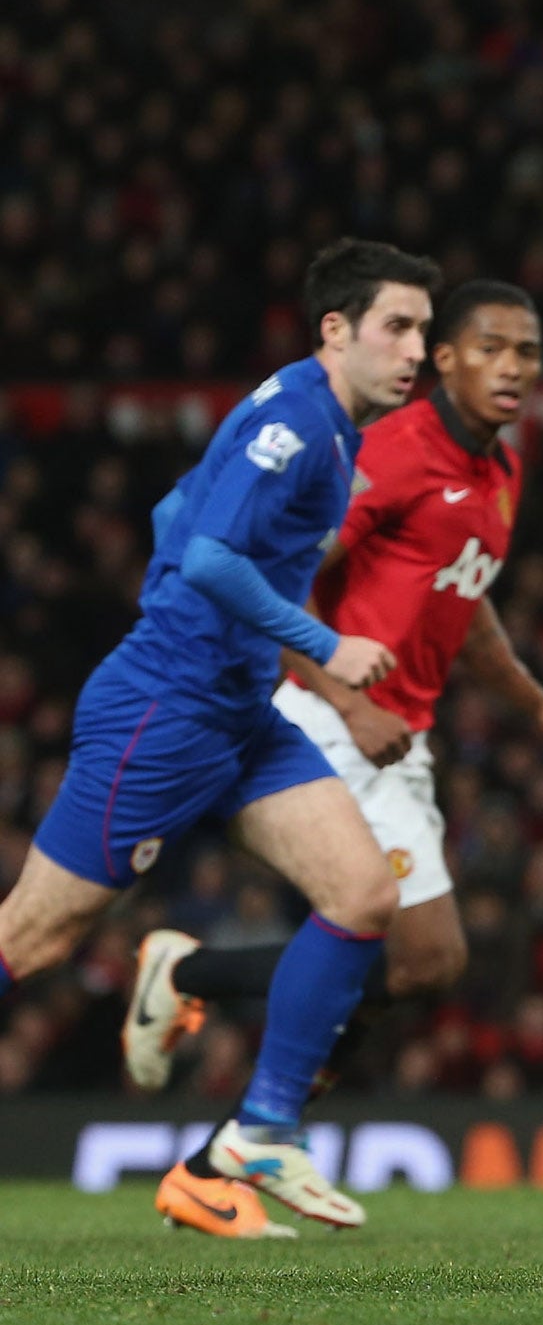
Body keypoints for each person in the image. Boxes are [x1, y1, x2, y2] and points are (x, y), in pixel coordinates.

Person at [122, 280, 543, 1238]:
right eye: (493, 348)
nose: (515, 367)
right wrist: (346, 697)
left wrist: (539, 704)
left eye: (529, 351)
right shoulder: (389, 454)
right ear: (445, 359)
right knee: (384, 934)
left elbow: (464, 608)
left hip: (399, 738)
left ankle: (202, 1069)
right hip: (321, 714)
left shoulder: (500, 475)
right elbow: (282, 579)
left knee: (426, 964)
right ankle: (224, 1105)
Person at [0, 238, 439, 1233]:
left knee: (365, 896)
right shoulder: (295, 423)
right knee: (33, 937)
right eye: (397, 327)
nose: (414, 348)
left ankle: (262, 1135)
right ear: (337, 330)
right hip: (163, 712)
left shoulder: (324, 420)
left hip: (241, 709)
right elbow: (203, 555)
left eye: (422, 329)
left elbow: (171, 510)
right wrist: (326, 644)